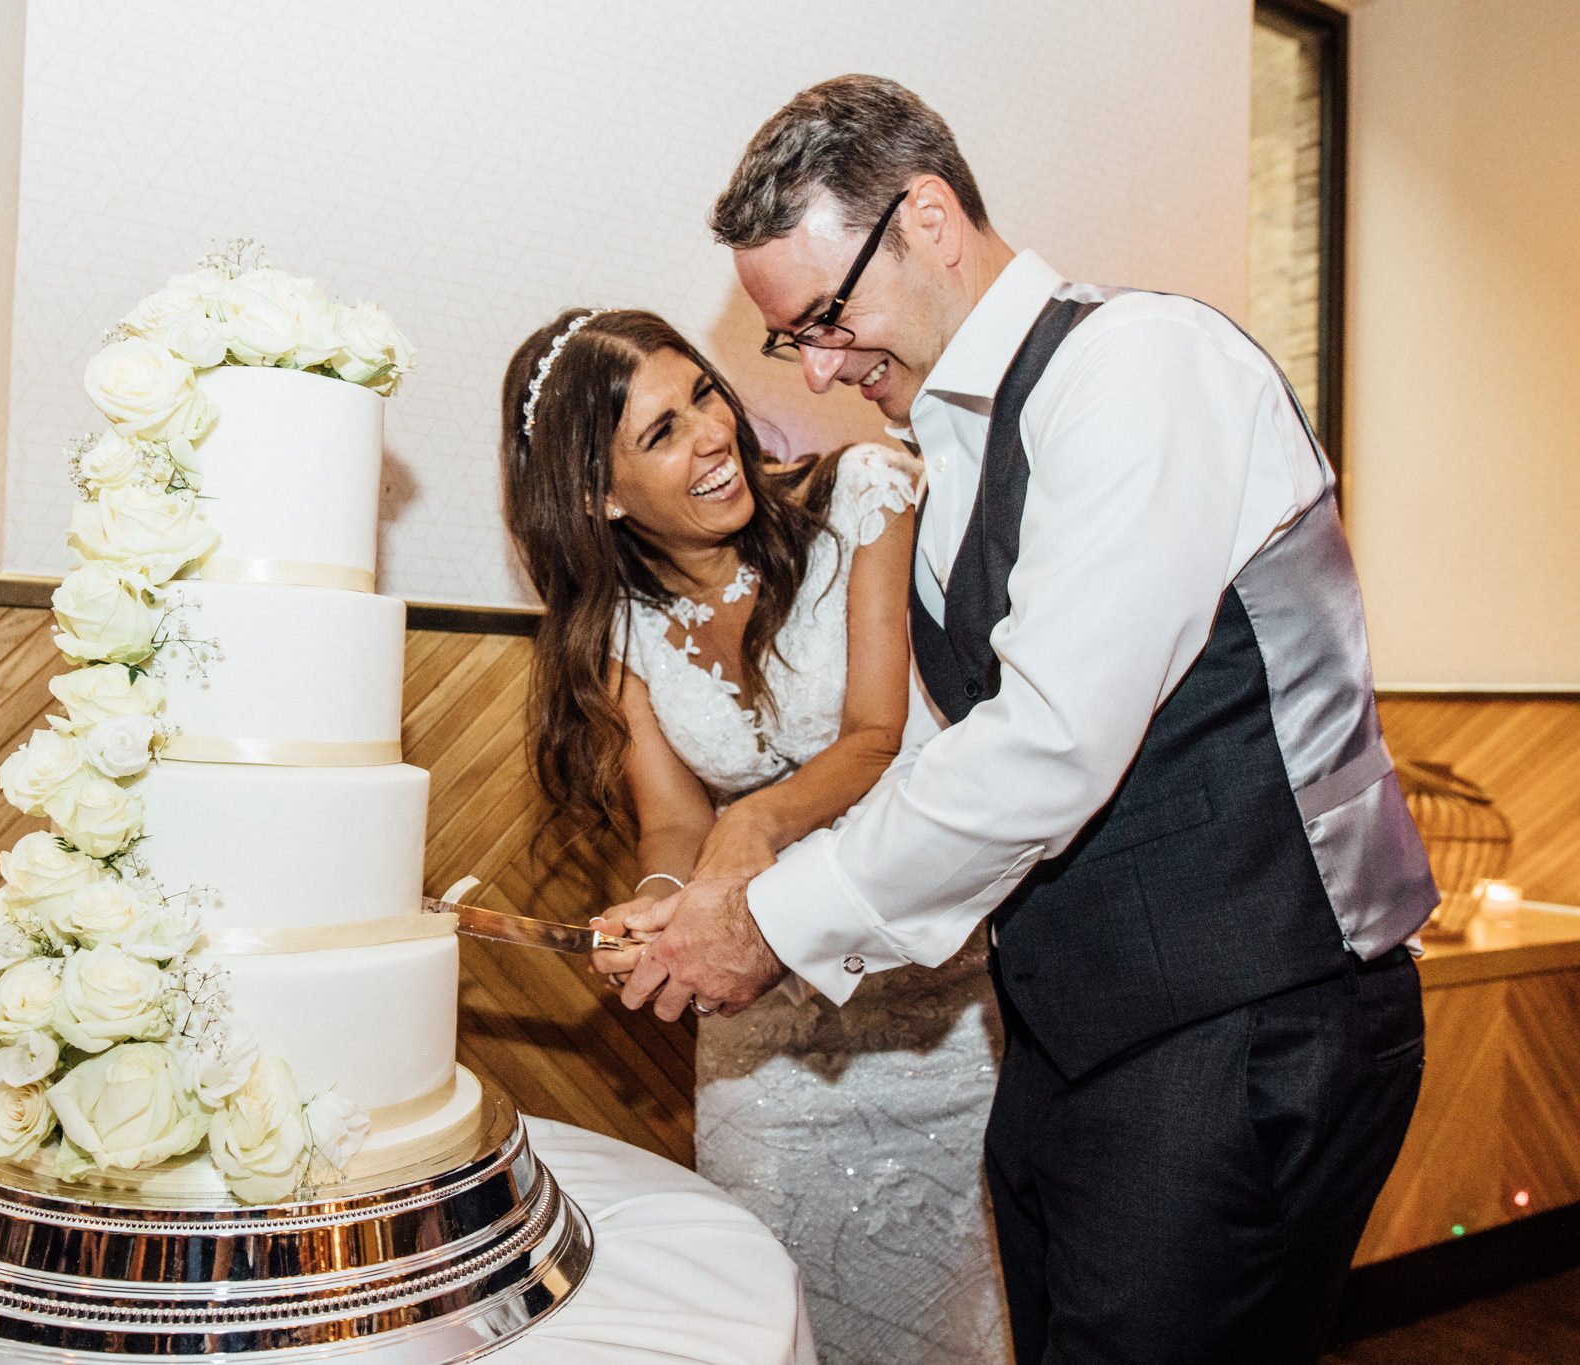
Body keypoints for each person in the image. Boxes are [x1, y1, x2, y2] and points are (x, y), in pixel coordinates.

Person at [614, 75, 1437, 1364]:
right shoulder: (939, 459)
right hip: (1071, 1043)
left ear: (930, 219)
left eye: (827, 317)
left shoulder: (1139, 366)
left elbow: (1052, 741)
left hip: (1247, 1022)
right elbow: (934, 761)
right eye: (793, 343)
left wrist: (772, 920)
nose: (822, 367)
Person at [500, 307, 1009, 1362]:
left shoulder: (859, 498)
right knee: (765, 1317)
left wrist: (752, 822)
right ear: (597, 496)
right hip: (759, 1049)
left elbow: (874, 736)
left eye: (701, 395)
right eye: (659, 433)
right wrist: (655, 900)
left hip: (927, 1008)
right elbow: (673, 821)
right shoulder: (615, 628)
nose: (709, 434)